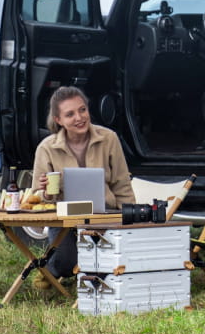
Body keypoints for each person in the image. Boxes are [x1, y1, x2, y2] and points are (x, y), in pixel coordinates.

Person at [26, 85, 130, 281]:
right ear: (58, 120)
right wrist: (46, 192)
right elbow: (36, 197)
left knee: (113, 260)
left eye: (82, 110)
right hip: (64, 217)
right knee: (66, 264)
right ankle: (52, 269)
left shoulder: (109, 139)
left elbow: (121, 183)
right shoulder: (46, 148)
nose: (79, 118)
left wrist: (129, 217)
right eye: (70, 114)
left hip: (105, 212)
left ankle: (91, 268)